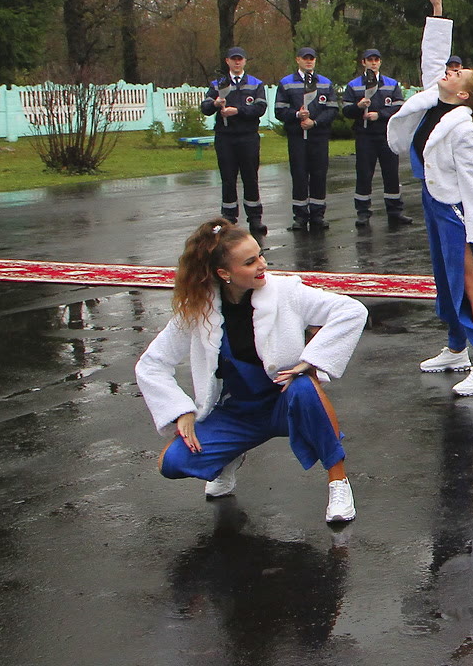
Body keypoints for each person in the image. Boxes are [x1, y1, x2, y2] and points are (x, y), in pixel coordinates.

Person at [135, 219, 366, 524]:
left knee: (304, 386)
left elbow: (351, 311)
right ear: (224, 273)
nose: (262, 265)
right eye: (250, 261)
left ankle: (338, 482)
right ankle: (232, 454)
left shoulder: (286, 292)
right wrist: (180, 411)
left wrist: (312, 360)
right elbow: (151, 363)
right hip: (237, 412)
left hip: (285, 402)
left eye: (260, 255)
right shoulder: (198, 309)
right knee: (172, 463)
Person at [388, 0, 473, 397]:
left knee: (469, 282)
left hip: (455, 210)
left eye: (457, 74)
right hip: (434, 202)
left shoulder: (466, 129)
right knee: (443, 279)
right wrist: (437, 12)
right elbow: (433, 59)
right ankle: (457, 348)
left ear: (465, 93)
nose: (448, 71)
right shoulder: (436, 101)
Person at [202, 48, 269, 236]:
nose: (237, 62)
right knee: (228, 179)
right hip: (226, 137)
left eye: (240, 59)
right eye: (234, 59)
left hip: (248, 136)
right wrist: (215, 104)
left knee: (251, 177)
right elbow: (205, 107)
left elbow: (260, 108)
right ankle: (228, 219)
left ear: (245, 61)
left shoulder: (256, 84)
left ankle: (255, 219)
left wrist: (237, 110)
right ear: (227, 61)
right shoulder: (218, 84)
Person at [344, 48, 411, 228]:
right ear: (363, 62)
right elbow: (345, 110)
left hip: (386, 135)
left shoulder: (390, 84)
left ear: (380, 62)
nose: (373, 63)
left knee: (391, 174)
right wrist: (358, 107)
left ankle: (395, 211)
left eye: (376, 60)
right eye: (370, 60)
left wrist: (379, 115)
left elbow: (398, 108)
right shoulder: (354, 85)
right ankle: (363, 212)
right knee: (364, 174)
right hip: (364, 136)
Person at [276, 46, 337, 232]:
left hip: (318, 137)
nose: (309, 61)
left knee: (319, 174)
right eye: (305, 58)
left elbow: (333, 109)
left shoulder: (325, 83)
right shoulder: (286, 83)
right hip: (297, 137)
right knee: (300, 175)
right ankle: (300, 217)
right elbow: (279, 110)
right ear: (298, 60)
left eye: (312, 58)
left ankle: (318, 215)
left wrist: (315, 122)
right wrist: (296, 115)